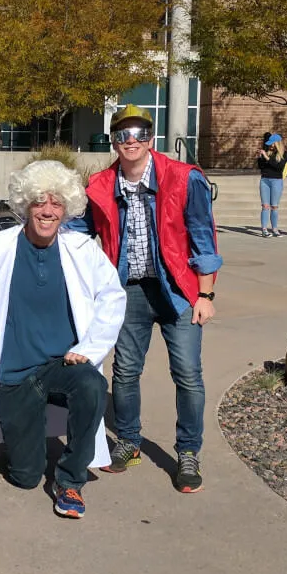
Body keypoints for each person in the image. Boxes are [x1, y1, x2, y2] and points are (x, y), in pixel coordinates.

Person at [0, 160, 127, 519]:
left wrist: (89, 349)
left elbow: (113, 297)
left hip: (61, 365)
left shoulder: (82, 250)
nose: (48, 211)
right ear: (25, 205)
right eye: (39, 203)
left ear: (67, 208)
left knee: (93, 384)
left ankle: (70, 480)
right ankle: (23, 444)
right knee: (26, 478)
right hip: (13, 376)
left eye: (56, 204)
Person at [66, 104, 222, 494]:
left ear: (151, 138)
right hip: (128, 291)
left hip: (179, 292)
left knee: (187, 374)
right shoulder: (100, 186)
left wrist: (205, 293)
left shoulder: (184, 178)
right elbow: (77, 231)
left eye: (138, 133)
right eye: (122, 134)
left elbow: (203, 236)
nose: (130, 141)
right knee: (125, 373)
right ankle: (130, 442)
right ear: (114, 142)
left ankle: (188, 452)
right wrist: (37, 223)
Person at [257, 132, 287, 237]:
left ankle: (274, 229)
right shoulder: (267, 152)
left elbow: (278, 167)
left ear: (277, 143)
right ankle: (264, 229)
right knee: (265, 206)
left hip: (276, 181)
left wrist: (267, 158)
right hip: (265, 180)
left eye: (272, 144)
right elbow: (261, 167)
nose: (270, 146)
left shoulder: (284, 154)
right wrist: (260, 158)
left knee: (274, 206)